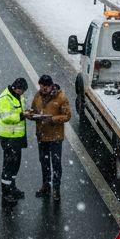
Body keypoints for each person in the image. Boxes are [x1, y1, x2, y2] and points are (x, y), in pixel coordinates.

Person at [29, 74, 71, 202]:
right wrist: (31, 115)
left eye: (45, 87)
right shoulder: (37, 96)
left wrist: (52, 119)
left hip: (55, 137)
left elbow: (67, 116)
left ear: (51, 85)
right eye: (41, 86)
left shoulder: (61, 97)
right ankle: (46, 186)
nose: (43, 89)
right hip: (42, 137)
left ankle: (56, 189)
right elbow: (33, 110)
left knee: (56, 164)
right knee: (44, 163)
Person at [0, 77, 30, 207]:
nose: (23, 94)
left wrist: (26, 112)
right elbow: (5, 117)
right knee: (9, 166)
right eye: (22, 91)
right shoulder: (5, 98)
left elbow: (18, 111)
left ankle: (12, 187)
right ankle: (6, 192)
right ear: (17, 88)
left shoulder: (17, 96)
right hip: (9, 138)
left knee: (15, 164)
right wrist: (22, 115)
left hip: (17, 137)